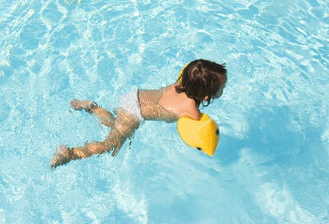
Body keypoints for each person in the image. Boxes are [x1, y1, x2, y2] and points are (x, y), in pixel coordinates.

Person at [50, 59, 227, 168]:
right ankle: (70, 153)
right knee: (110, 144)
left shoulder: (180, 83)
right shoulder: (190, 111)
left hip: (133, 96)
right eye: (222, 88)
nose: (223, 89)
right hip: (134, 113)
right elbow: (198, 127)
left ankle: (91, 106)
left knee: (114, 125)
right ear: (205, 96)